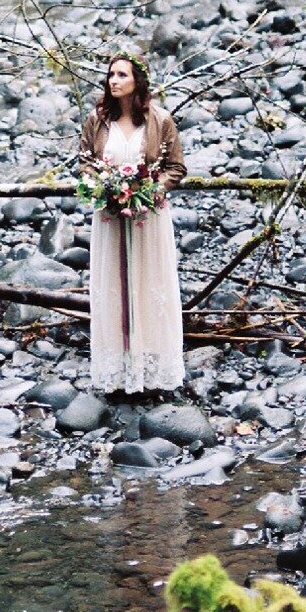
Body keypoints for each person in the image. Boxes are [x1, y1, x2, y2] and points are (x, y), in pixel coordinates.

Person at [76, 51, 187, 397]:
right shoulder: (97, 119)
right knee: (112, 286)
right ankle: (117, 372)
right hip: (109, 216)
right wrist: (102, 187)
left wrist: (151, 192)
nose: (114, 80)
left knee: (150, 284)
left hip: (148, 217)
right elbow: (86, 162)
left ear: (138, 80)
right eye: (111, 75)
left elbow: (176, 168)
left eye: (122, 75)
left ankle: (151, 372)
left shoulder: (160, 120)